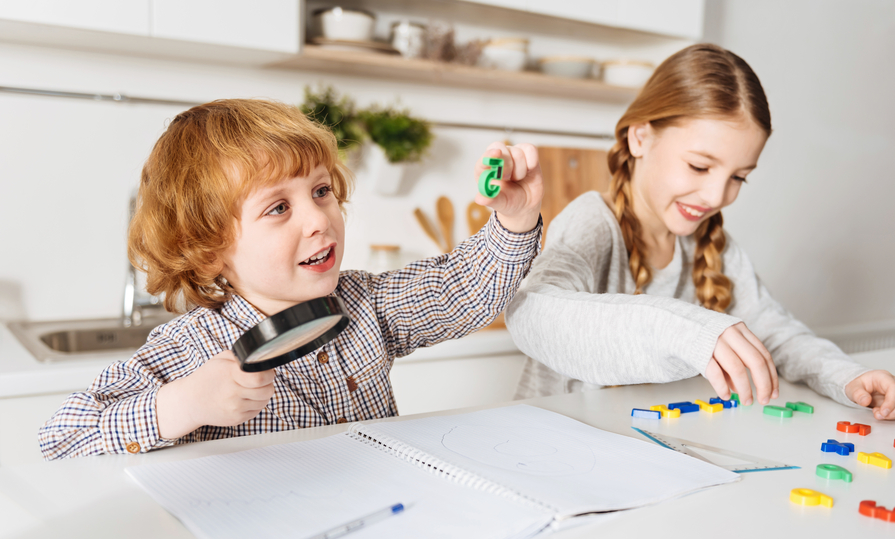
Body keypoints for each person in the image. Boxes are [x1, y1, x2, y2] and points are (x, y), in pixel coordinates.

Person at [39, 99, 543, 459]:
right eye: (279, 207)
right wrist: (183, 404)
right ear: (210, 250)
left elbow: (461, 289)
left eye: (321, 191)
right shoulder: (193, 347)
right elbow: (60, 437)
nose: (319, 219)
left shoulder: (364, 303)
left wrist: (515, 220)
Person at [505, 43, 895, 420]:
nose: (718, 195)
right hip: (551, 444)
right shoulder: (593, 222)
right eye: (699, 166)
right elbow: (532, 314)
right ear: (640, 137)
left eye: (739, 177)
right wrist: (687, 329)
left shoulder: (710, 244)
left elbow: (775, 331)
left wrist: (847, 377)